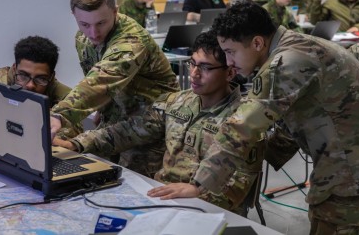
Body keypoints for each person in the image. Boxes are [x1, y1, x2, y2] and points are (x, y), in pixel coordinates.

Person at [210, 0, 359, 234]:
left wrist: (200, 184)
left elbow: (241, 127)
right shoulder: (297, 45)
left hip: (354, 172)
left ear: (258, 42)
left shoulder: (285, 62)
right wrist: (262, 154)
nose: (229, 62)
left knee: (330, 225)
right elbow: (295, 118)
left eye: (231, 52)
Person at [52, 31, 265, 216]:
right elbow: (128, 131)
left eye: (206, 68)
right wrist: (78, 144)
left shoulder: (244, 120)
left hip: (206, 208)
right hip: (163, 199)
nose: (194, 74)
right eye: (192, 64)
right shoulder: (177, 102)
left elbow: (239, 183)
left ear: (229, 72)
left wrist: (199, 192)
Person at [49, 0, 180, 178]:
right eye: (84, 24)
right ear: (74, 16)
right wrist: (102, 109)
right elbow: (93, 75)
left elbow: (101, 82)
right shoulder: (83, 38)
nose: (94, 32)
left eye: (101, 23)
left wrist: (59, 115)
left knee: (137, 191)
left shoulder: (131, 40)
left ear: (115, 11)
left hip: (149, 127)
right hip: (115, 123)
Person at [0, 36, 80, 157]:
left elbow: (72, 138)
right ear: (14, 68)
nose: (31, 85)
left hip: (39, 163)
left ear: (51, 77)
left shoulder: (65, 96)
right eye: (23, 75)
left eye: (40, 78)